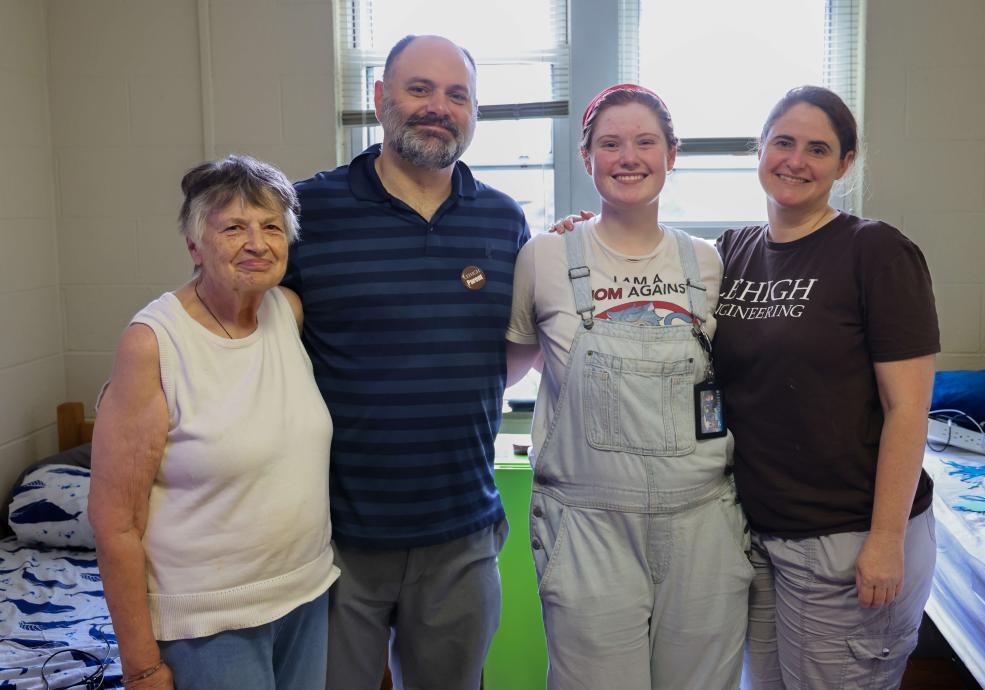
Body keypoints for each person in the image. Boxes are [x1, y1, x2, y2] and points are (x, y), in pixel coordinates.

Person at [282, 35, 531, 689]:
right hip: (332, 537)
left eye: (457, 95)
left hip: (461, 534)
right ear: (380, 99)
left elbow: (509, 353)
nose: (438, 108)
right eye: (420, 89)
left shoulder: (504, 222)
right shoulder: (308, 211)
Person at [507, 84, 753, 690]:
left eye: (646, 142)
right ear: (587, 157)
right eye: (610, 143)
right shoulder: (542, 257)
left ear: (673, 154)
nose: (628, 157)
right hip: (586, 527)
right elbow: (515, 366)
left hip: (704, 522)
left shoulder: (709, 261)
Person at [713, 86, 939, 690]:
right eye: (783, 142)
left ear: (844, 165)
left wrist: (886, 539)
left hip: (849, 541)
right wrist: (585, 231)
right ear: (759, 149)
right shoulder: (732, 252)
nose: (796, 160)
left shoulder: (876, 251)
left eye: (818, 149)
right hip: (759, 536)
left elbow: (908, 406)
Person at [88, 155, 339, 690]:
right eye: (233, 228)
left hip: (305, 595)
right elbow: (116, 522)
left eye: (272, 226)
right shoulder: (154, 342)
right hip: (209, 623)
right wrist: (142, 667)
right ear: (193, 245)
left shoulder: (285, 312)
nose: (257, 243)